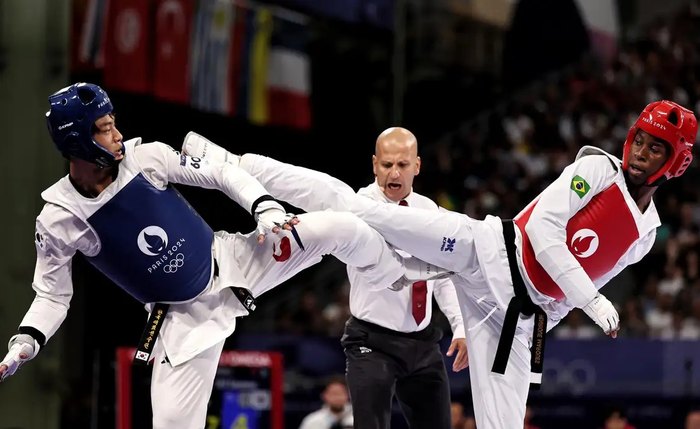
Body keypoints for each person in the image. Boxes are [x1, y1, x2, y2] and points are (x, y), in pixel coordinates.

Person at [183, 100, 698, 429]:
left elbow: (575, 288)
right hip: (486, 252)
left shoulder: (647, 234)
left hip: (514, 322)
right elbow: (541, 232)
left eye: (658, 150)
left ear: (675, 162)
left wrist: (545, 318)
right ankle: (232, 164)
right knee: (353, 208)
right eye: (641, 142)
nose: (642, 154)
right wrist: (593, 300)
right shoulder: (595, 168)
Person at [0, 83, 443, 429]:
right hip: (182, 320)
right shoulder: (59, 219)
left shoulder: (146, 157)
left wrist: (264, 206)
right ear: (77, 140)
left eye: (113, 122)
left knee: (342, 225)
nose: (116, 133)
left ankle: (400, 275)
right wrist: (27, 339)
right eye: (103, 127)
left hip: (238, 258)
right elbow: (53, 295)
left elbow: (219, 173)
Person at [186, 127, 468, 429]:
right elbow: (307, 188)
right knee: (330, 199)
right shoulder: (360, 204)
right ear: (375, 164)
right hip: (373, 342)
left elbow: (446, 278)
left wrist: (460, 326)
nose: (393, 173)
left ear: (417, 165)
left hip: (423, 342)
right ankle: (235, 165)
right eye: (386, 165)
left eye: (402, 165)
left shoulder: (432, 212)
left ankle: (237, 165)